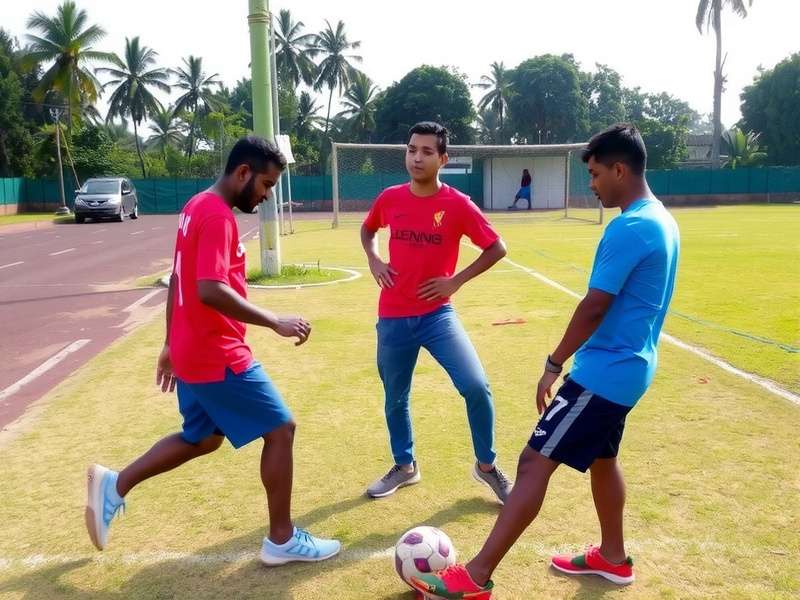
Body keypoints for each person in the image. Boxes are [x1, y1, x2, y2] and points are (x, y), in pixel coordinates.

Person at [411, 124, 681, 598]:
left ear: (620, 169)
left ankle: (474, 577)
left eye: (596, 175)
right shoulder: (661, 218)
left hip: (604, 372)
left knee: (534, 462)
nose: (592, 185)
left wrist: (554, 363)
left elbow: (594, 305)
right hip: (633, 368)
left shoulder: (631, 226)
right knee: (603, 458)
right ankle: (613, 558)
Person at [85, 136, 341, 566]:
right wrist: (274, 319)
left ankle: (115, 484)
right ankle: (281, 539)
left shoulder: (194, 206)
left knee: (202, 438)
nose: (266, 194)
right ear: (243, 172)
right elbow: (208, 289)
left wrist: (169, 343)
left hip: (191, 349)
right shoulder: (218, 216)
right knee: (281, 429)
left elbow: (177, 278)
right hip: (215, 351)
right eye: (266, 183)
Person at [360, 121, 513, 504]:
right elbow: (367, 230)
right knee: (396, 397)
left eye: (427, 151)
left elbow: (497, 248)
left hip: (437, 317)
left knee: (476, 386)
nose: (417, 157)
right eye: (412, 149)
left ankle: (486, 467)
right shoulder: (390, 198)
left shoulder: (458, 205)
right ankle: (404, 466)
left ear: (443, 159)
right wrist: (375, 259)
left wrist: (455, 281)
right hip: (393, 315)